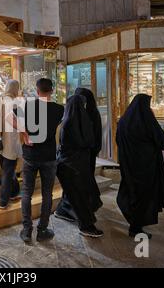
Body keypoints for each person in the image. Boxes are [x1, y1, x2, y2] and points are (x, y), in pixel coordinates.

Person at [116, 94, 164, 239]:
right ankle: (136, 227)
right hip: (146, 168)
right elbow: (162, 140)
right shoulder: (147, 121)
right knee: (143, 197)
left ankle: (134, 223)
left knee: (131, 192)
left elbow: (118, 141)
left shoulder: (124, 120)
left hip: (128, 166)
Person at [20, 78, 64, 244]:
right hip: (49, 157)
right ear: (51, 91)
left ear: (37, 91)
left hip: (30, 156)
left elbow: (11, 117)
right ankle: (42, 230)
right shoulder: (59, 109)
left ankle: (26, 229)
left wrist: (25, 134)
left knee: (26, 193)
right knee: (47, 194)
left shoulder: (28, 105)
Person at [56, 95, 104, 238]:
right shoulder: (79, 122)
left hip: (69, 165)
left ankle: (62, 212)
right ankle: (86, 226)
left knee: (76, 196)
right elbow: (88, 142)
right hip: (72, 167)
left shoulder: (66, 121)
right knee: (80, 198)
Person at [0, 80, 22, 210]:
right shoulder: (15, 103)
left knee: (8, 170)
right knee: (8, 171)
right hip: (11, 142)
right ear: (15, 89)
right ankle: (3, 201)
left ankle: (13, 193)